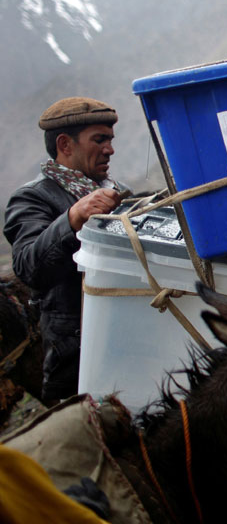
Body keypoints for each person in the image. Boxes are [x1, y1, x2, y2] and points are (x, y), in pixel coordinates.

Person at [4, 97, 125, 404]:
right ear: (65, 144)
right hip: (76, 360)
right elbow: (29, 267)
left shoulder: (115, 193)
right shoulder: (31, 199)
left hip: (125, 341)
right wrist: (72, 220)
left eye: (110, 141)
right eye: (99, 140)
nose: (109, 149)